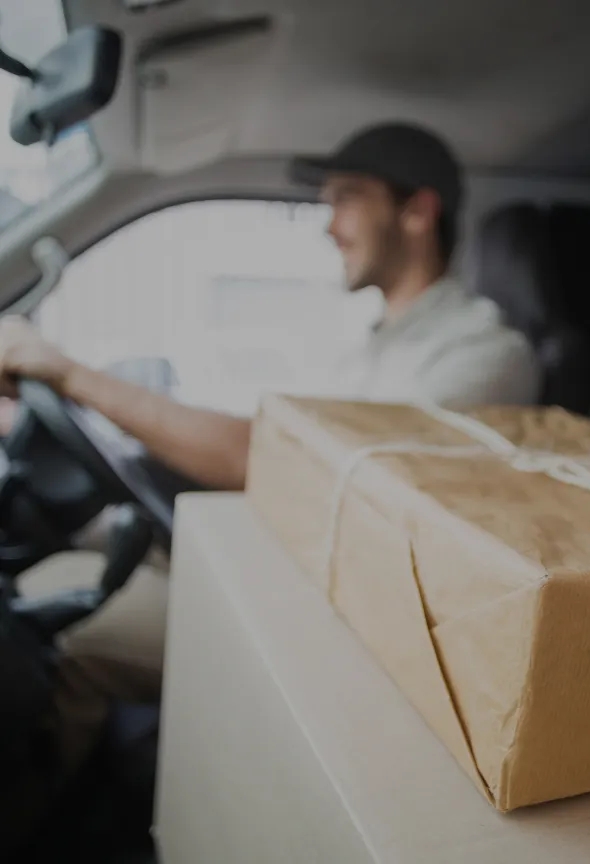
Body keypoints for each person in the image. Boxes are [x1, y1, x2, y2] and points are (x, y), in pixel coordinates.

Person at [0, 123, 540, 797]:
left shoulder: (480, 357)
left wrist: (69, 373)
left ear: (417, 210)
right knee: (59, 574)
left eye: (346, 197)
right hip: (271, 564)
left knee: (66, 638)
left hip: (330, 626)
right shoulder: (368, 346)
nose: (328, 224)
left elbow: (272, 458)